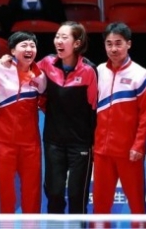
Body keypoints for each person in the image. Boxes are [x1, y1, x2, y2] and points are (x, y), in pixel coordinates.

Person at [37, 21, 97, 214]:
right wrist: (7, 59)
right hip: (53, 140)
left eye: (64, 37)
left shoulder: (88, 70)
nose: (58, 41)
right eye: (57, 37)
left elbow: (94, 108)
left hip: (80, 143)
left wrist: (93, 142)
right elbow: (23, 70)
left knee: (76, 196)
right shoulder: (47, 63)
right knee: (54, 194)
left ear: (77, 43)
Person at [0, 31, 46, 213]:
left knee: (32, 193)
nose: (29, 49)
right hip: (3, 142)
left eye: (32, 46)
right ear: (12, 50)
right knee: (5, 193)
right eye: (24, 45)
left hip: (31, 144)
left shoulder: (40, 77)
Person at [93, 22, 146, 215]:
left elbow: (145, 114)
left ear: (129, 44)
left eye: (118, 43)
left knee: (137, 206)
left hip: (129, 152)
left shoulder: (140, 74)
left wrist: (138, 145)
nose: (113, 49)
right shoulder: (99, 71)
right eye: (109, 44)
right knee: (100, 207)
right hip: (102, 151)